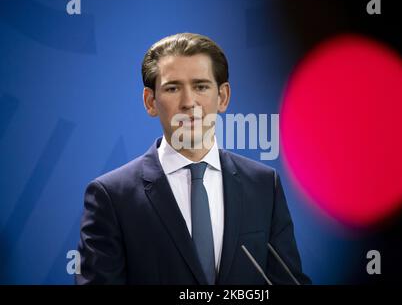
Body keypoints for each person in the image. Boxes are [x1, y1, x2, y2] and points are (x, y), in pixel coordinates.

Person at [76, 33, 311, 285]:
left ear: (222, 97)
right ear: (150, 101)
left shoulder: (264, 185)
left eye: (200, 86)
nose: (189, 102)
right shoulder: (111, 197)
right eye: (173, 88)